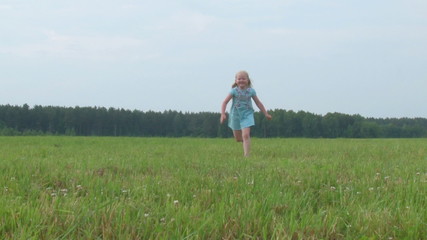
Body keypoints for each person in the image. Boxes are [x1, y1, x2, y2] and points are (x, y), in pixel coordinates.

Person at [220, 71, 272, 157]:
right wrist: (222, 114)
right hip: (235, 115)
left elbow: (258, 103)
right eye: (239, 79)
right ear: (236, 81)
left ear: (247, 80)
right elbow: (224, 102)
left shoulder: (251, 91)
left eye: (243, 78)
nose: (241, 80)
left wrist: (266, 113)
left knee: (246, 135)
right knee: (238, 138)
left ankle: (247, 155)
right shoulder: (233, 91)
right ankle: (245, 141)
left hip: (247, 115)